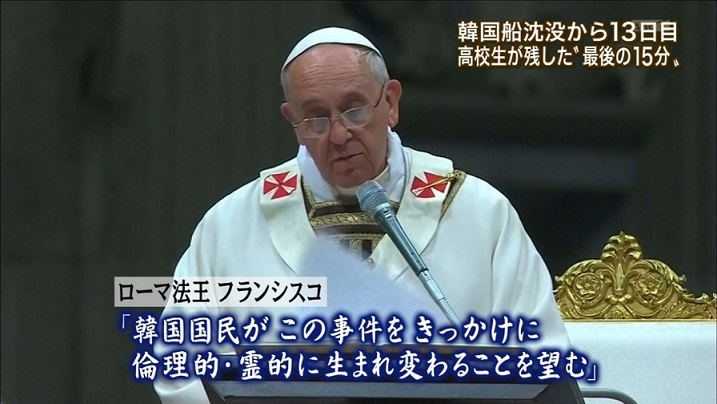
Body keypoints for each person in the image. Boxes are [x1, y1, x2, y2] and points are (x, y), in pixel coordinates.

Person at [153, 26, 569, 403]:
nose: (339, 135)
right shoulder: (230, 226)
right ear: (292, 120)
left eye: (354, 110)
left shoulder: (478, 213)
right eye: (316, 118)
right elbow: (179, 364)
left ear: (390, 102)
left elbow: (541, 356)